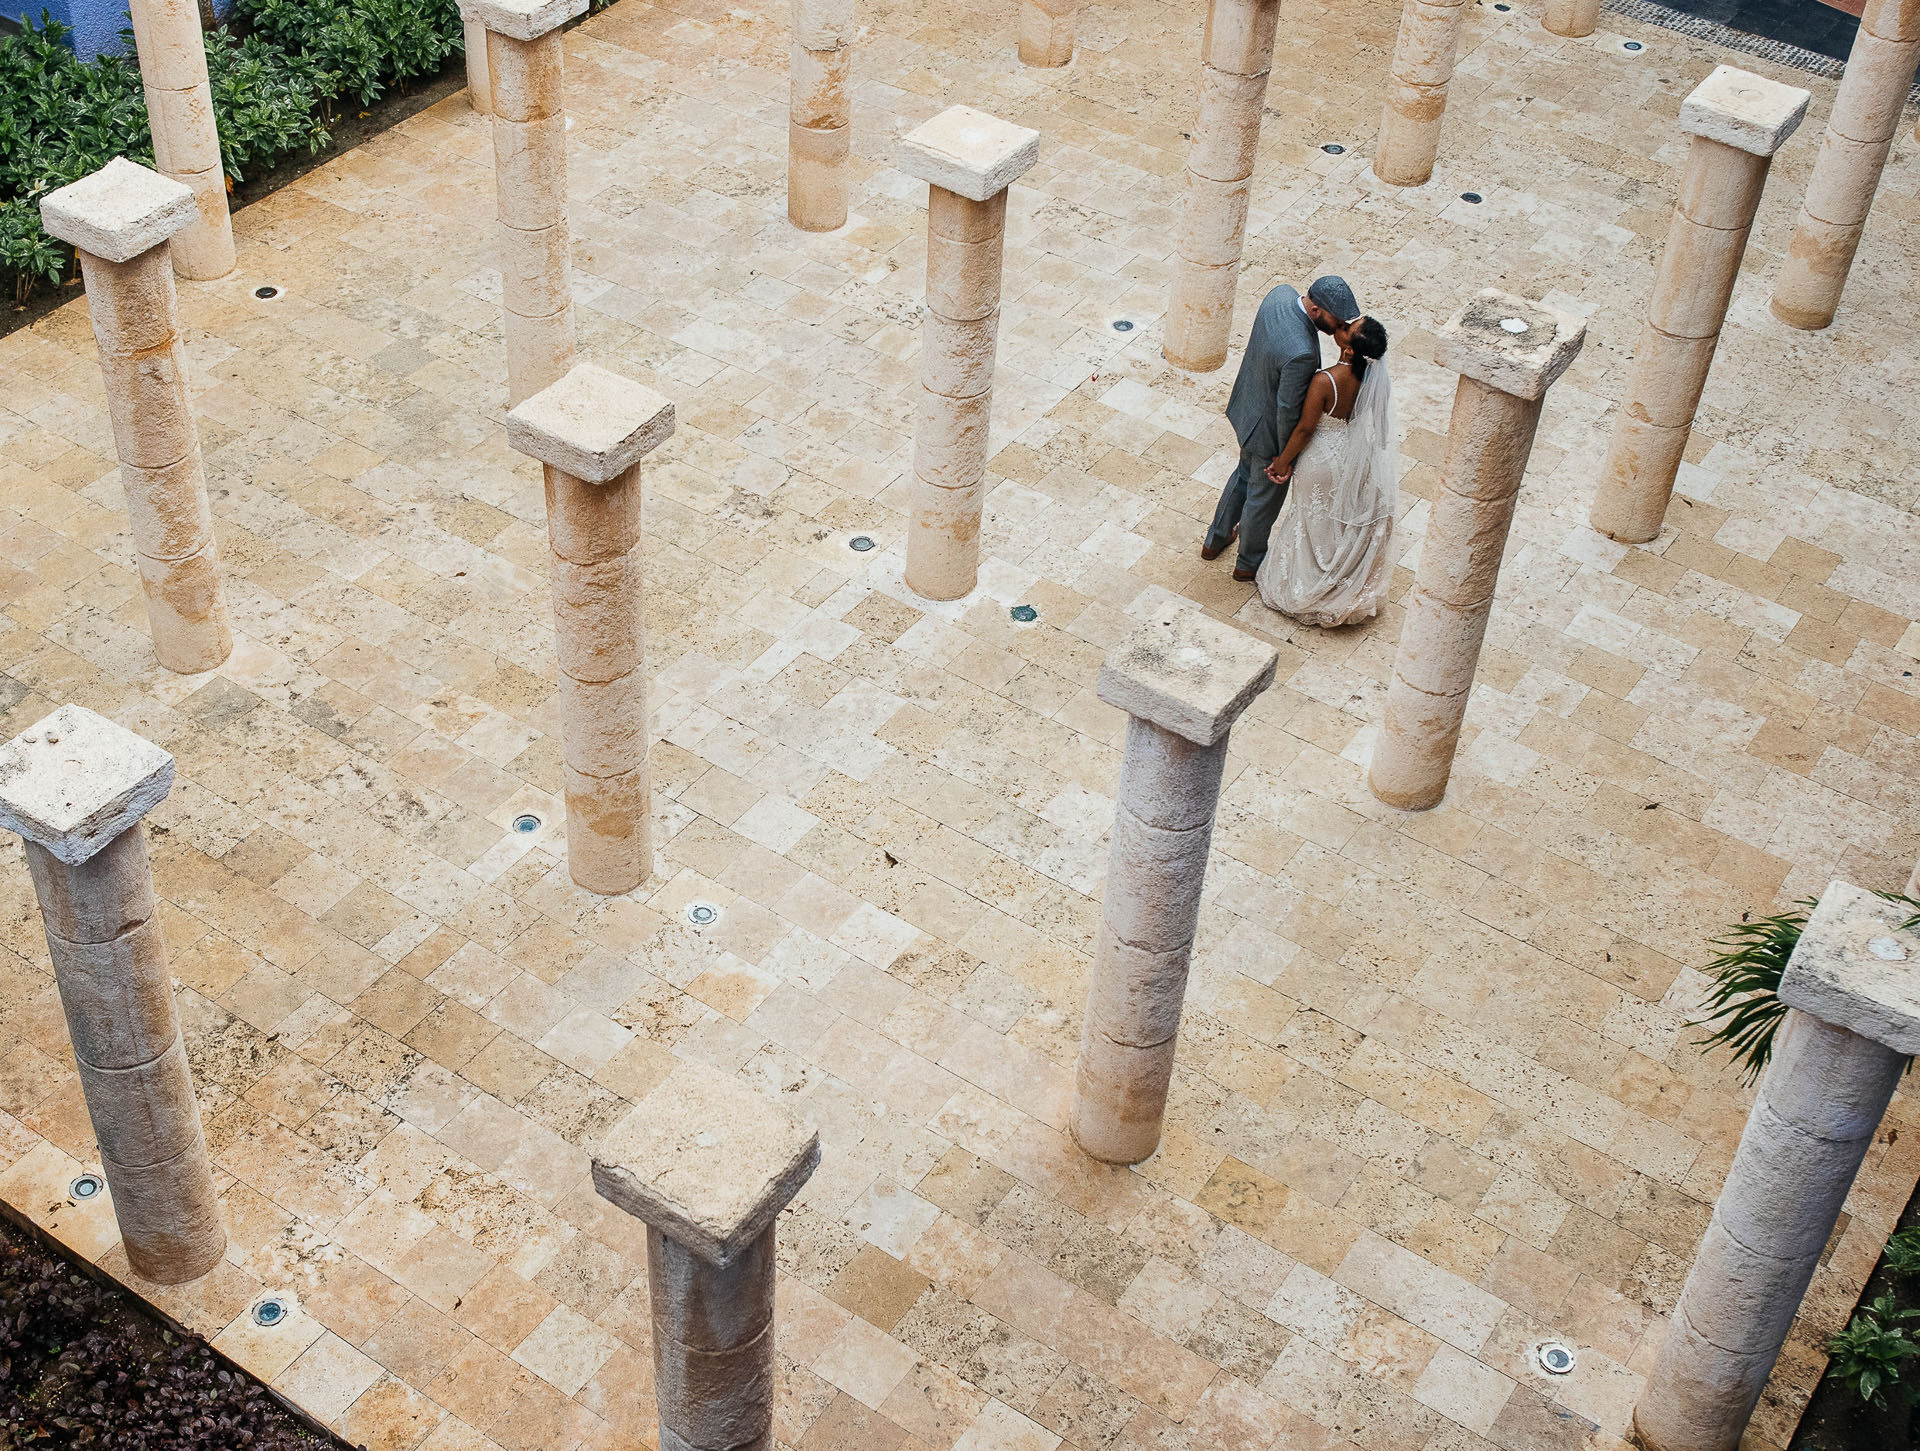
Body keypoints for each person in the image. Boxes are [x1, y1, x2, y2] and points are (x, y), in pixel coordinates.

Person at [1201, 275, 1361, 582]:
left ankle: (1215, 540)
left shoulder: (1279, 293)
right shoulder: (1302, 352)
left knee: (1242, 477)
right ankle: (1248, 563)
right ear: (1317, 311)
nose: (1337, 328)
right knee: (1263, 498)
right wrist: (1285, 456)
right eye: (1335, 320)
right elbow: (1289, 409)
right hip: (1268, 434)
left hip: (1246, 407)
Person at [1255, 315, 1397, 627]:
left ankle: (1306, 585)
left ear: (1348, 351)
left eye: (1348, 329)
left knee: (1309, 519)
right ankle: (1338, 579)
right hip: (1351, 454)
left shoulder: (1325, 380)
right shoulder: (1375, 379)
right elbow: (1379, 427)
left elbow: (1306, 429)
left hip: (1320, 458)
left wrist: (1282, 462)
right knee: (1335, 520)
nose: (1342, 326)